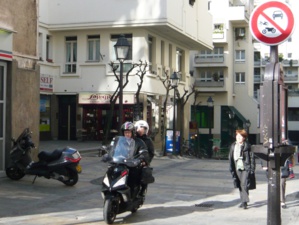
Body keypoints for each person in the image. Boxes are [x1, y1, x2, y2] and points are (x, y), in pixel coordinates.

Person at [120, 121, 149, 198]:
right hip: (121, 164)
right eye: (125, 132)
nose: (127, 134)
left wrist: (141, 158)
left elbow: (144, 152)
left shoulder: (139, 142)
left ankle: (136, 193)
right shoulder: (121, 142)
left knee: (137, 176)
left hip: (133, 165)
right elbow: (114, 150)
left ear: (132, 133)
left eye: (129, 132)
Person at [229, 129, 255, 209]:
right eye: (237, 136)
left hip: (245, 167)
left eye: (240, 136)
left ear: (244, 137)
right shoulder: (233, 145)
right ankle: (243, 201)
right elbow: (230, 157)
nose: (238, 137)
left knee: (244, 183)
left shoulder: (247, 146)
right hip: (237, 166)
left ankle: (245, 201)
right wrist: (231, 168)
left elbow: (252, 158)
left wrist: (252, 168)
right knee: (240, 184)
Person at [134, 120, 155, 197]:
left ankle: (142, 190)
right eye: (139, 128)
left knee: (145, 173)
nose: (140, 130)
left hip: (142, 161)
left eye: (143, 128)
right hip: (131, 160)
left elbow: (151, 153)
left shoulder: (148, 141)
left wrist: (146, 161)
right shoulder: (133, 139)